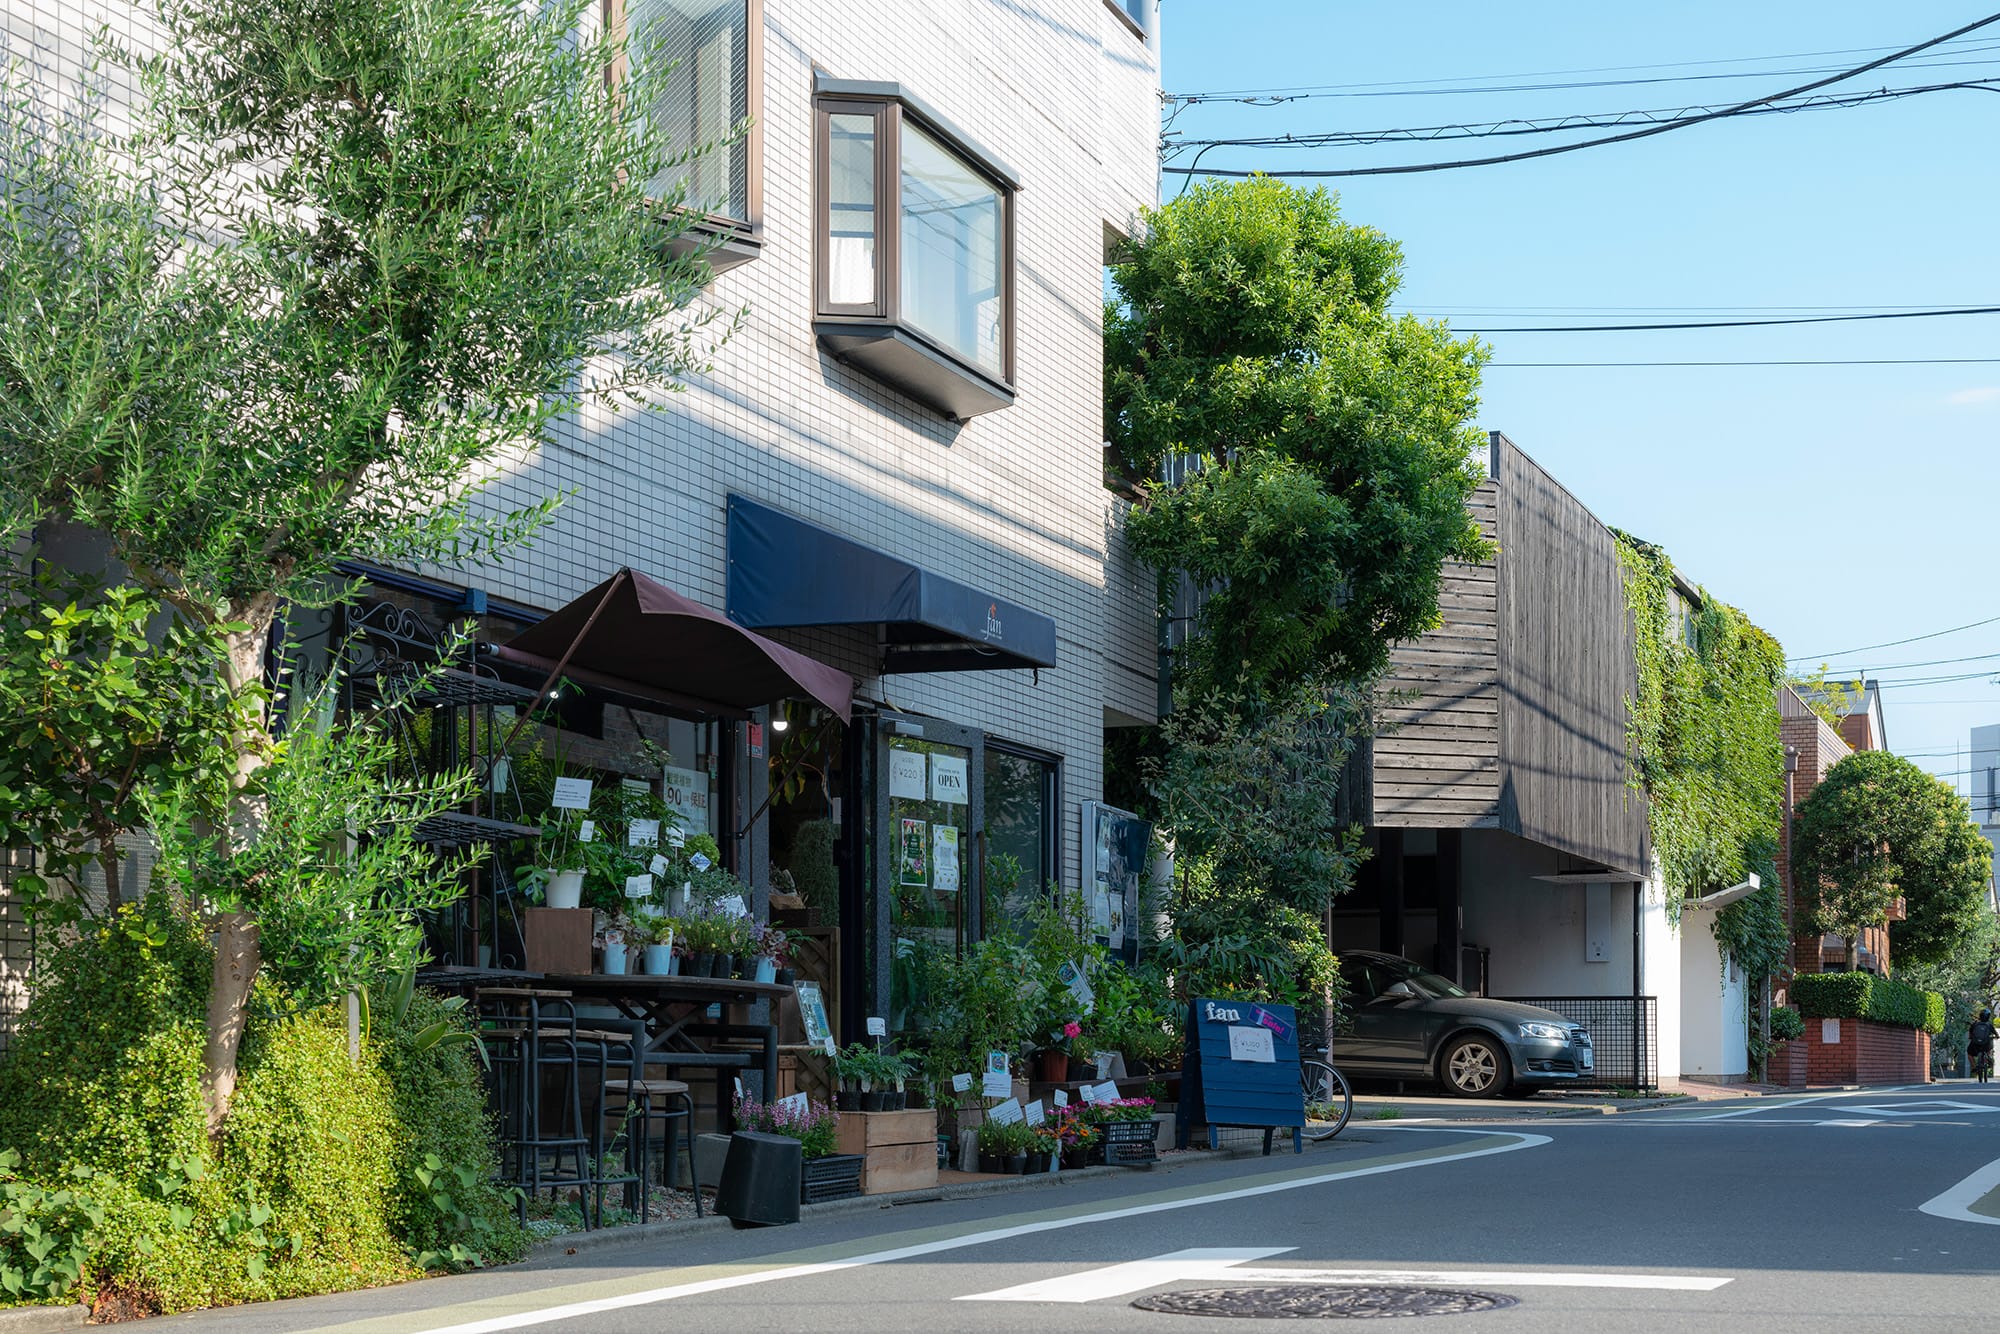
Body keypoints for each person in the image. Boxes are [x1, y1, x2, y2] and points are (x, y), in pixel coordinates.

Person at [1969, 1009, 1997, 1084]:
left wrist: (1971, 1037)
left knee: (1969, 1053)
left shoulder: (1975, 1024)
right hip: (1986, 1044)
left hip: (1975, 1044)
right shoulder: (1989, 1025)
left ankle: (1974, 1066)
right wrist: (1996, 1036)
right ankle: (1989, 1058)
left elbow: (1970, 1033)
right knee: (1990, 1048)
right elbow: (1996, 1034)